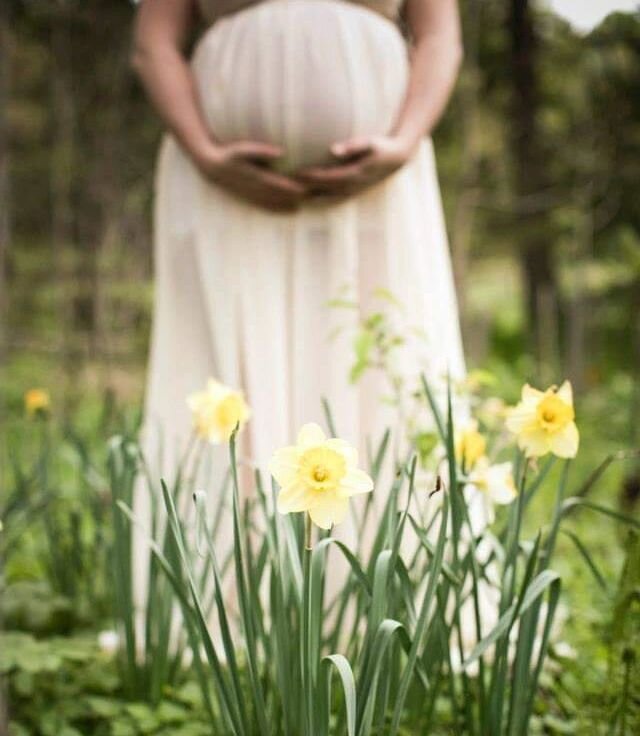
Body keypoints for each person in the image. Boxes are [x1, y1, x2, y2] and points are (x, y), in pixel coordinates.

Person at [130, 0, 466, 594]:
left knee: (382, 365)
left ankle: (389, 596)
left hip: (381, 193)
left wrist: (405, 140)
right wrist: (205, 151)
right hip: (219, 192)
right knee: (222, 379)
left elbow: (439, 34)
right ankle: (224, 601)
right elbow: (154, 41)